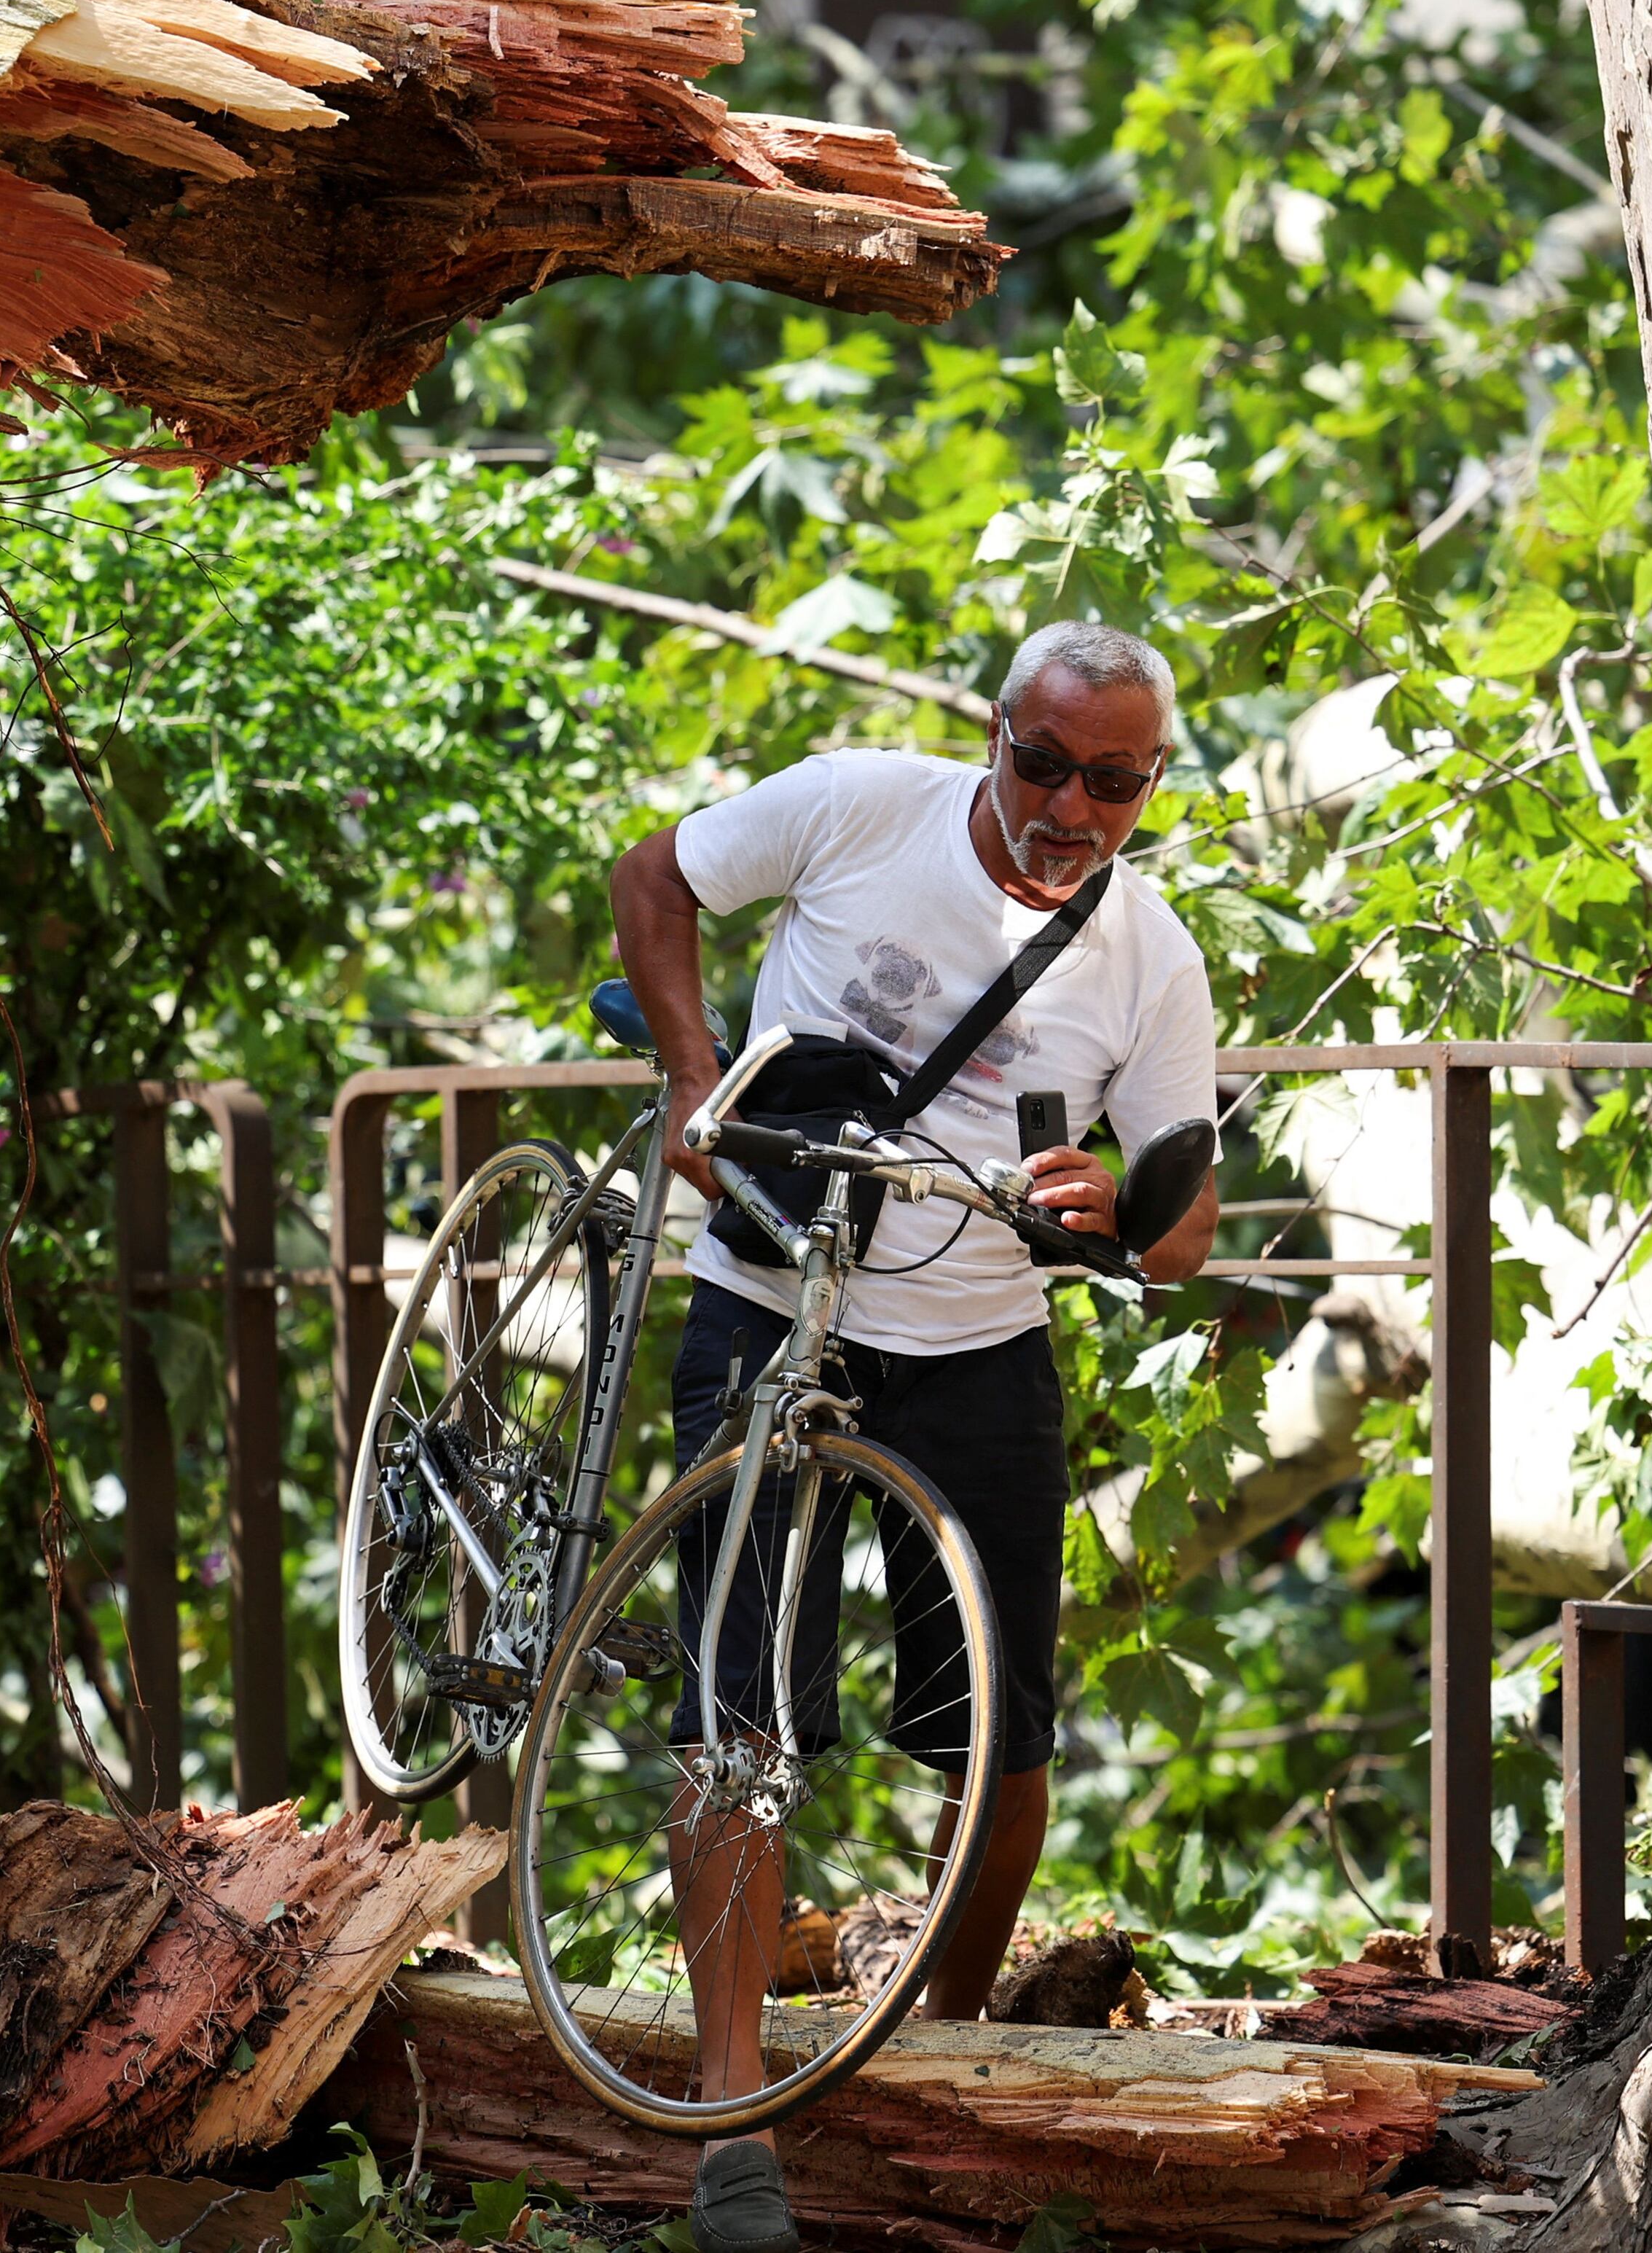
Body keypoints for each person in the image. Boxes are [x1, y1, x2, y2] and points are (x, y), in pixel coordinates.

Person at [604, 619, 1221, 2253]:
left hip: (976, 1352)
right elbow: (650, 873)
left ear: (1147, 785)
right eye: (1041, 762)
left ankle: (942, 2042)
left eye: (1112, 779)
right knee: (739, 1713)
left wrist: (1117, 1206)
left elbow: (1184, 1220)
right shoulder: (857, 807)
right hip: (768, 1304)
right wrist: (689, 1078)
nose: (1067, 804)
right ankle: (733, 2119)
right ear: (989, 734)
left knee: (999, 1739)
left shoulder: (1148, 950)